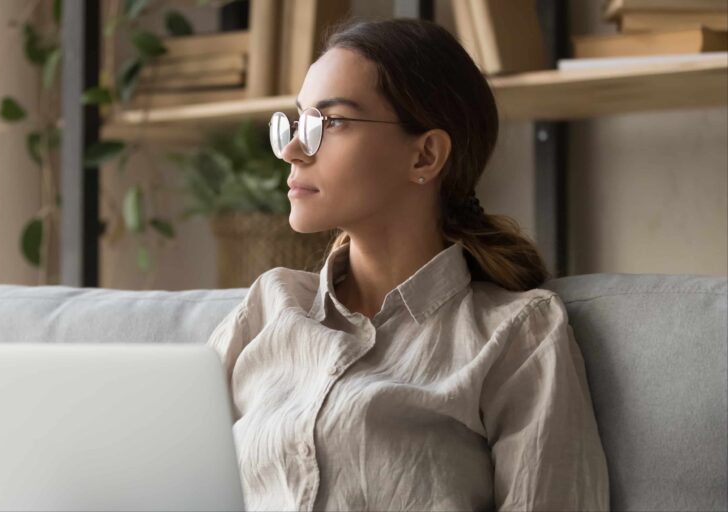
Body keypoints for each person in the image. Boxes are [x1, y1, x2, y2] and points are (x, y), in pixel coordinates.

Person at [206, 18, 610, 512]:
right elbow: (166, 478)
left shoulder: (516, 335)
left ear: (425, 155)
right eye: (296, 122)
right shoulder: (268, 308)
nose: (293, 150)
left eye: (328, 124)